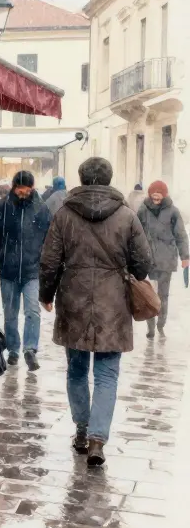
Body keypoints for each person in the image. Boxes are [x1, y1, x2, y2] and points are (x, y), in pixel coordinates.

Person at [40, 157, 153, 466]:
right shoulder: (127, 215)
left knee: (76, 369)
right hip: (112, 301)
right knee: (107, 373)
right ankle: (97, 439)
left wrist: (46, 294)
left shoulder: (64, 214)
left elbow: (50, 260)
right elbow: (143, 263)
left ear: (81, 177)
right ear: (109, 178)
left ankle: (81, 428)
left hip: (73, 299)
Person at [0, 171, 52, 371]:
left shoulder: (41, 209)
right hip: (8, 271)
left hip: (32, 271)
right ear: (13, 187)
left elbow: (51, 239)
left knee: (33, 311)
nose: (23, 192)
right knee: (10, 314)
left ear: (32, 188)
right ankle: (13, 349)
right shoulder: (2, 208)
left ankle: (30, 349)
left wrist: (47, 264)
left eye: (27, 188)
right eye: (20, 188)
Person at [136, 180, 189, 337]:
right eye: (153, 193)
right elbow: (135, 232)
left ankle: (161, 324)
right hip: (148, 259)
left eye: (159, 194)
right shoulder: (143, 210)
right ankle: (151, 326)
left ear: (164, 195)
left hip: (166, 259)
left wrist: (185, 256)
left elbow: (181, 235)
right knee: (148, 294)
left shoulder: (173, 211)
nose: (156, 196)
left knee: (163, 295)